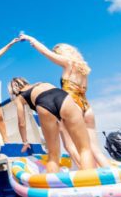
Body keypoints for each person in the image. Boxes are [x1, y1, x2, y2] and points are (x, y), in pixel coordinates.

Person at [19, 34, 112, 168]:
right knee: (94, 149)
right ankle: (113, 177)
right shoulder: (83, 69)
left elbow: (45, 52)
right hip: (87, 106)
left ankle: (85, 174)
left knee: (70, 146)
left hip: (72, 105)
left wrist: (31, 40)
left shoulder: (68, 63)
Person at [10, 77, 96, 173]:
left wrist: (25, 142)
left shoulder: (19, 98)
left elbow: (21, 123)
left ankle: (52, 184)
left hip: (43, 103)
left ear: (13, 89)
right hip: (62, 96)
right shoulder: (41, 82)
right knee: (84, 148)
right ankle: (91, 184)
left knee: (53, 155)